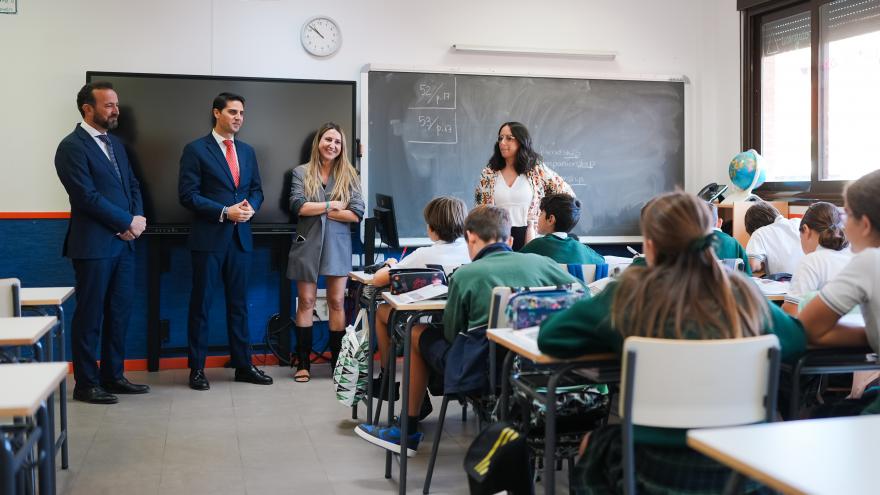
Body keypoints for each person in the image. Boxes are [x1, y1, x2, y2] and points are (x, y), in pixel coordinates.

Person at [537, 191, 806, 494]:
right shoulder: (742, 293)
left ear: (649, 246)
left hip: (650, 467)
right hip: (743, 466)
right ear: (712, 235)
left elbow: (551, 338)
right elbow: (796, 340)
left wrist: (613, 340)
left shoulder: (628, 294)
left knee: (593, 443)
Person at [354, 205, 581, 456]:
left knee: (415, 331)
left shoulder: (467, 275)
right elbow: (582, 295)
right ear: (511, 239)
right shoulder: (543, 263)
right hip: (539, 369)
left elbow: (453, 333)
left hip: (480, 371)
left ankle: (405, 431)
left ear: (471, 238)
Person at [54, 82, 150, 404]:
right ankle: (86, 384)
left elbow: (133, 185)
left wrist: (135, 222)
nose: (116, 110)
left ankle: (114, 375)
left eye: (116, 105)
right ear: (88, 109)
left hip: (124, 246)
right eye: (108, 105)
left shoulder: (117, 145)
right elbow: (86, 197)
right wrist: (125, 223)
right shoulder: (71, 147)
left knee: (119, 313)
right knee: (90, 316)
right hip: (94, 246)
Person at [178, 92, 272, 391]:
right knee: (201, 306)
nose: (238, 118)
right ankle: (197, 369)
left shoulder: (247, 151)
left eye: (242, 113)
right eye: (232, 112)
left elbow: (256, 189)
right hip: (209, 239)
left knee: (239, 305)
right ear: (216, 113)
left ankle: (243, 365)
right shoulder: (195, 150)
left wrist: (250, 208)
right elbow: (187, 195)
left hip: (241, 240)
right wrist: (223, 212)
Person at [369, 196, 471, 400]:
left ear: (432, 228)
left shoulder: (424, 254)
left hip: (428, 326)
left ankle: (387, 378)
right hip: (463, 328)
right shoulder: (472, 251)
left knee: (381, 311)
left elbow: (378, 279)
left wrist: (390, 264)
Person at [287, 122, 364, 382]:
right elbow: (298, 206)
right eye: (328, 140)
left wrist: (317, 207)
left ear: (342, 147)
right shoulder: (301, 172)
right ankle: (303, 364)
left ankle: (337, 366)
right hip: (306, 243)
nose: (332, 145)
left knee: (337, 302)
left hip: (338, 245)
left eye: (337, 142)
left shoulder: (350, 175)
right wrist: (331, 205)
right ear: (318, 142)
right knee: (306, 302)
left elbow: (356, 213)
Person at [474, 122, 574, 250]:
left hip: (530, 235)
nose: (502, 142)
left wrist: (543, 211)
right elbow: (479, 208)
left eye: (509, 138)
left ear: (521, 141)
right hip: (497, 236)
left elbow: (566, 193)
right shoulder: (489, 173)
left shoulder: (536, 170)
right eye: (500, 138)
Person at [782, 202, 852, 315]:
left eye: (800, 237)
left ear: (806, 230)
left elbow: (792, 311)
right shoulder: (856, 254)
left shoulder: (812, 261)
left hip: (826, 329)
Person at [520, 193, 604, 264]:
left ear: (550, 219)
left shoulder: (536, 245)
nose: (538, 217)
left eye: (541, 214)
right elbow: (602, 261)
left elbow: (517, 261)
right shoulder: (584, 250)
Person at [744, 201, 803, 274]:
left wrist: (763, 264)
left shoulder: (759, 233)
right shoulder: (799, 222)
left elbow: (752, 265)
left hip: (785, 282)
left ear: (754, 227)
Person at [706, 202, 752, 276]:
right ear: (719, 222)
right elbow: (749, 276)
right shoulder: (734, 242)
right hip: (729, 286)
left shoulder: (688, 241)